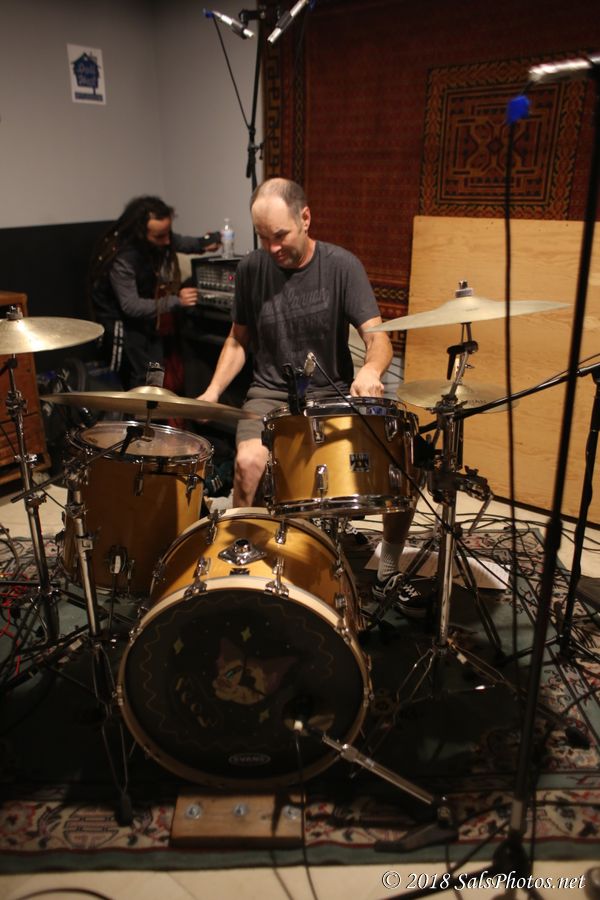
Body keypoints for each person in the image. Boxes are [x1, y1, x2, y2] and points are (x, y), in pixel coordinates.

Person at [198, 177, 423, 615]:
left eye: (280, 236)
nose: (272, 248)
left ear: (305, 218)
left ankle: (388, 569)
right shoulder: (251, 270)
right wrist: (212, 391)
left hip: (331, 391)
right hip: (268, 394)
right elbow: (238, 339)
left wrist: (370, 371)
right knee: (248, 464)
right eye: (262, 237)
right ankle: (245, 566)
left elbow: (378, 337)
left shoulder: (342, 266)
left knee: (401, 459)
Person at [89, 195, 220, 390]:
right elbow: (131, 306)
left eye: (168, 233)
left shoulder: (157, 239)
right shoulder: (123, 257)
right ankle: (141, 408)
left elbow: (178, 241)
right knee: (143, 375)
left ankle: (154, 406)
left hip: (145, 317)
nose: (167, 241)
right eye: (160, 236)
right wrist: (176, 301)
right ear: (140, 234)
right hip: (121, 324)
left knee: (156, 370)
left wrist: (204, 242)